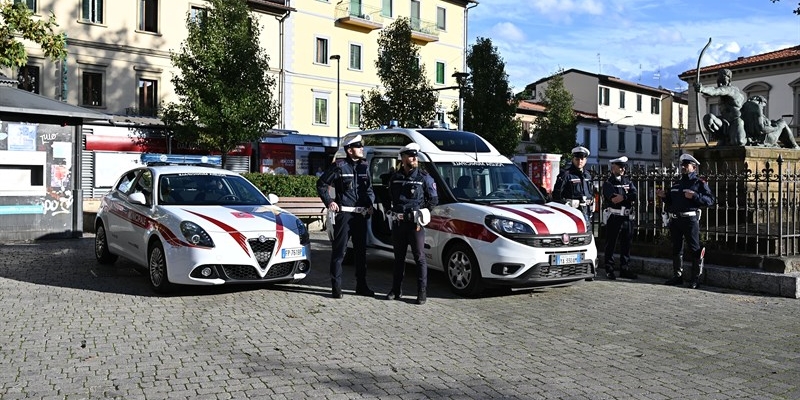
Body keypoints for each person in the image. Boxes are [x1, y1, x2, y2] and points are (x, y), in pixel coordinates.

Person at [316, 135, 376, 299]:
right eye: (359, 147)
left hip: (360, 216)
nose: (362, 149)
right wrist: (329, 202)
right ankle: (336, 288)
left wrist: (370, 203)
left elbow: (369, 189)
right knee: (339, 252)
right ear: (350, 150)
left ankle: (361, 286)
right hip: (345, 215)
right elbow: (321, 185)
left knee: (361, 253)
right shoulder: (339, 167)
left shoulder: (364, 167)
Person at [386, 143, 438, 305]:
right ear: (402, 158)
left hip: (415, 224)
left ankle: (421, 292)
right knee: (398, 258)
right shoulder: (395, 178)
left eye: (415, 156)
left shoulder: (424, 177)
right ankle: (396, 290)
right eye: (410, 155)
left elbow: (434, 199)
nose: (414, 158)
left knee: (419, 258)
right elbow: (390, 198)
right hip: (399, 223)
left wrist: (424, 213)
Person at [656, 154, 715, 289]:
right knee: (676, 248)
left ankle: (695, 279)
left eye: (686, 165)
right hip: (676, 220)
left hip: (690, 220)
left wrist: (695, 196)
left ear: (693, 167)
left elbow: (710, 200)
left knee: (695, 249)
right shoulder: (677, 183)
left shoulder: (699, 183)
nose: (683, 167)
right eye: (682, 165)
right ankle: (677, 276)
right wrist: (664, 196)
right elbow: (671, 201)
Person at [601, 156, 638, 280]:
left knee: (626, 244)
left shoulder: (628, 181)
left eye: (624, 167)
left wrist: (624, 197)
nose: (622, 169)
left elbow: (635, 195)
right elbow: (614, 199)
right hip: (614, 216)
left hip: (627, 218)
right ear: (613, 167)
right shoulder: (608, 183)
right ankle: (609, 269)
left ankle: (624, 268)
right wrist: (626, 196)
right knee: (611, 244)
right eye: (620, 167)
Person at [695, 68, 747, 146]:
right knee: (708, 118)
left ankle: (748, 139)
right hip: (724, 122)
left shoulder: (731, 90)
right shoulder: (724, 94)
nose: (720, 82)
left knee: (738, 142)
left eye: (723, 78)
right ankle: (721, 137)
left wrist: (702, 89)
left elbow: (716, 91)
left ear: (729, 79)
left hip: (735, 121)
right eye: (719, 79)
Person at [552, 146, 594, 225]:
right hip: (571, 213)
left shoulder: (588, 175)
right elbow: (557, 196)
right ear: (573, 159)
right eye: (577, 159)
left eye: (582, 159)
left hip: (586, 213)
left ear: (585, 160)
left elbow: (590, 193)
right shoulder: (566, 175)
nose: (579, 161)